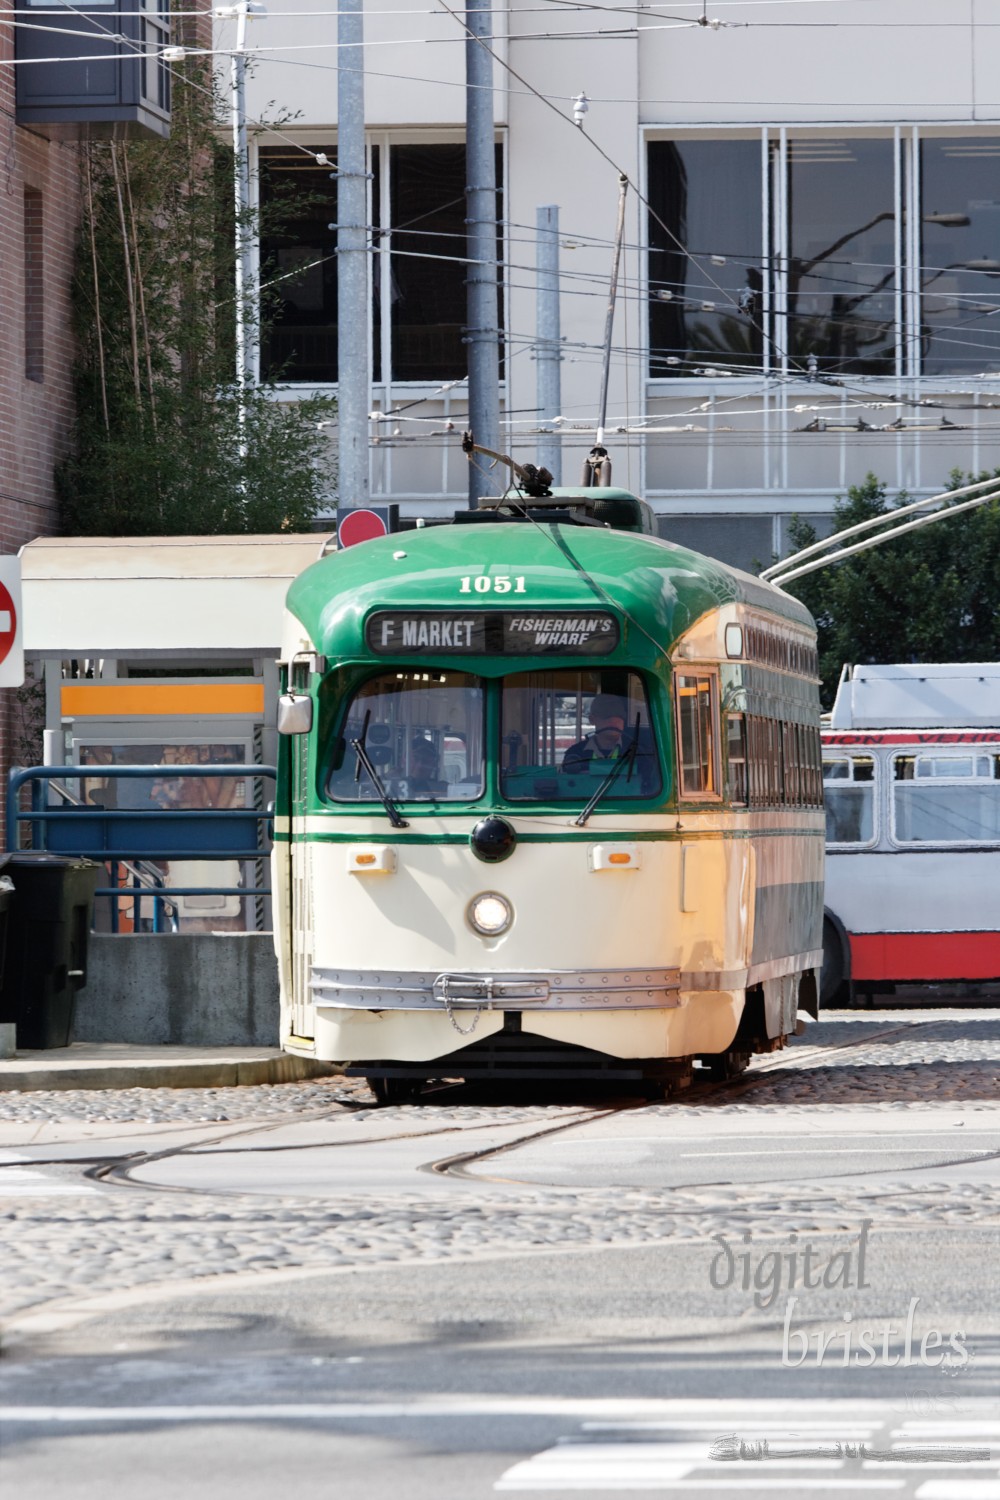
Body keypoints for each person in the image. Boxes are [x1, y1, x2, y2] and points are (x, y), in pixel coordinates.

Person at [562, 694, 628, 777]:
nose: (613, 721)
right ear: (592, 719)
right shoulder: (575, 754)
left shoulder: (639, 752)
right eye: (606, 716)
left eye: (619, 716)